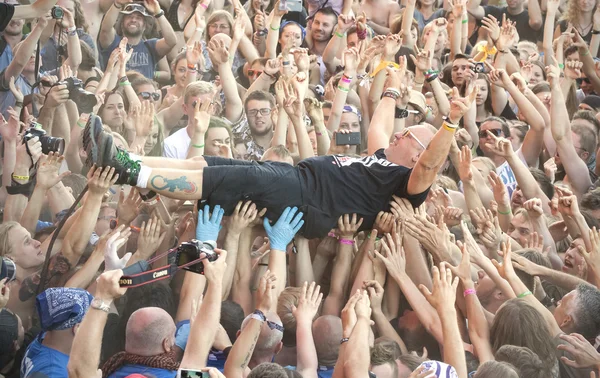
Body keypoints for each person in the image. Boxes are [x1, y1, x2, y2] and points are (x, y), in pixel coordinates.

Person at [82, 76, 476, 238]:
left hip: (307, 200)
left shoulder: (407, 182)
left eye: (410, 136)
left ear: (421, 152)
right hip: (297, 181)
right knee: (211, 166)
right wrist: (391, 84)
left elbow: (428, 165)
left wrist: (450, 124)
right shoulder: (383, 161)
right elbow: (379, 128)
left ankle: (129, 170)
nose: (400, 134)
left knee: (221, 180)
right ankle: (129, 162)